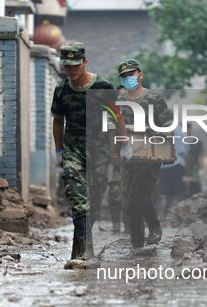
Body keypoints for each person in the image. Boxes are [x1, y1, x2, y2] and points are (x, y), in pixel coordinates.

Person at [51, 41, 116, 268]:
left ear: (85, 62)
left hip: (99, 152)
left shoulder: (103, 87)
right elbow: (58, 121)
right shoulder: (61, 90)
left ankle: (79, 249)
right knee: (80, 203)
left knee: (95, 202)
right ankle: (86, 253)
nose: (71, 70)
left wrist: (122, 146)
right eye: (67, 66)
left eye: (75, 65)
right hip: (73, 152)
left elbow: (117, 118)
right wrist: (59, 151)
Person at [117, 58, 172, 251]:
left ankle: (155, 227)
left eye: (131, 74)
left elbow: (167, 126)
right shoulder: (120, 102)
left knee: (139, 195)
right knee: (127, 201)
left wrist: (152, 130)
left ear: (140, 74)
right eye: (124, 76)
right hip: (127, 155)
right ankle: (137, 243)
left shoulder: (154, 99)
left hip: (150, 155)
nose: (128, 78)